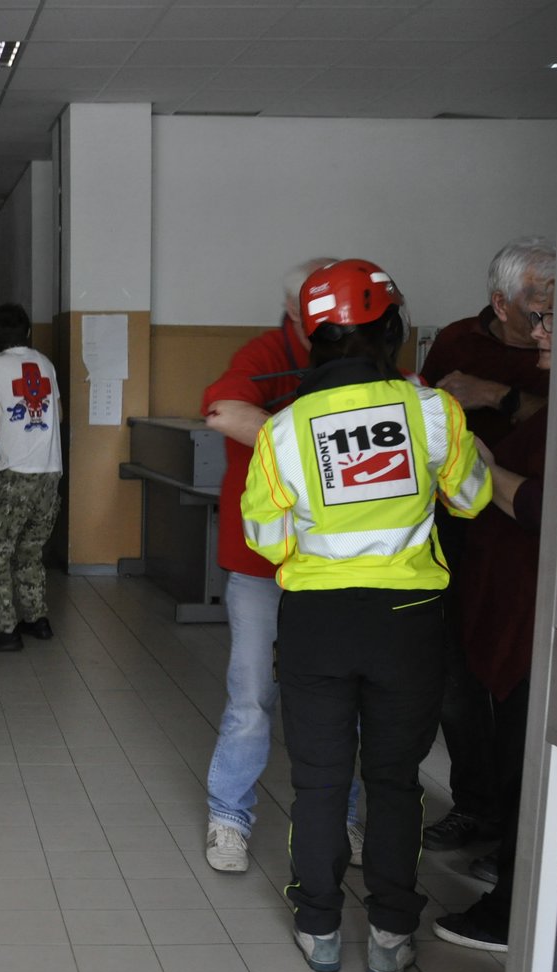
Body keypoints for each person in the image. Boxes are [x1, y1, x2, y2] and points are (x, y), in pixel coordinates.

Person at [242, 259, 490, 972]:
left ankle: (318, 927)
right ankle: (389, 931)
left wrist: (317, 544)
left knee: (318, 781)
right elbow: (471, 497)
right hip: (408, 621)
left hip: (318, 618)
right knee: (394, 780)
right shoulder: (432, 412)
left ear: (310, 338)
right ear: (393, 328)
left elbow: (266, 539)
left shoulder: (285, 429)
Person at [199, 258, 365, 875]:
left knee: (338, 700)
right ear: (298, 313)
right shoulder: (265, 353)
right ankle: (230, 818)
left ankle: (343, 819)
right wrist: (313, 448)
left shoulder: (366, 357)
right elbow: (223, 410)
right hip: (263, 564)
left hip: (343, 567)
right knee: (251, 697)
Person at [417, 237, 555, 855]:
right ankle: (475, 808)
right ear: (501, 303)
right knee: (455, 674)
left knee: (519, 681)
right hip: (456, 532)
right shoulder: (456, 341)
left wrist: (494, 396)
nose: (547, 318)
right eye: (538, 303)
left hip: (528, 537)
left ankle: (517, 830)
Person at [434, 295, 555, 954]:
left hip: (539, 616)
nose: (538, 330)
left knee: (526, 760)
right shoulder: (458, 341)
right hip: (502, 598)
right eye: (535, 314)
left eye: (552, 319)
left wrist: (478, 458)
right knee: (499, 740)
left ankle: (515, 906)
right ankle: (495, 842)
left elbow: (542, 504)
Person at [0, 303, 63, 653]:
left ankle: (4, 629)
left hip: (16, 472)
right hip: (50, 471)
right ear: (28, 332)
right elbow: (59, 415)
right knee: (31, 550)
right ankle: (37, 619)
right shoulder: (46, 364)